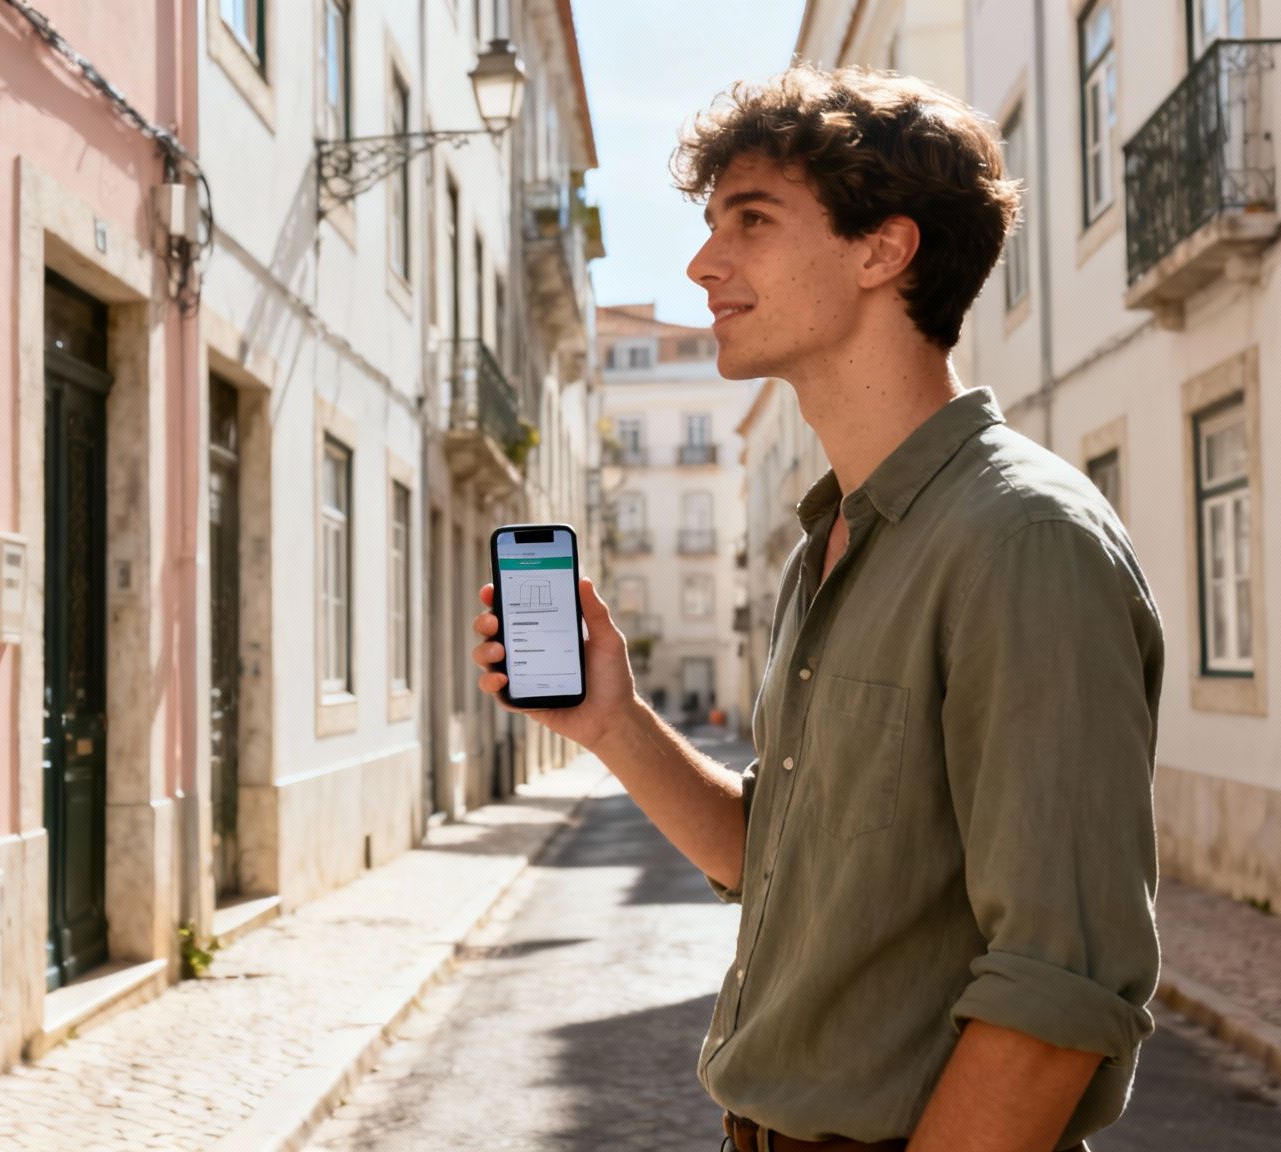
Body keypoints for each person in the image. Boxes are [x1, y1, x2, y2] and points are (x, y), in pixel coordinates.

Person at [471, 65, 1162, 1152]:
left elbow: (1056, 990)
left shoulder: (1021, 541)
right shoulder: (832, 542)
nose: (702, 263)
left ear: (882, 251)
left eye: (750, 221)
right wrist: (610, 720)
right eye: (710, 226)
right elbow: (776, 855)